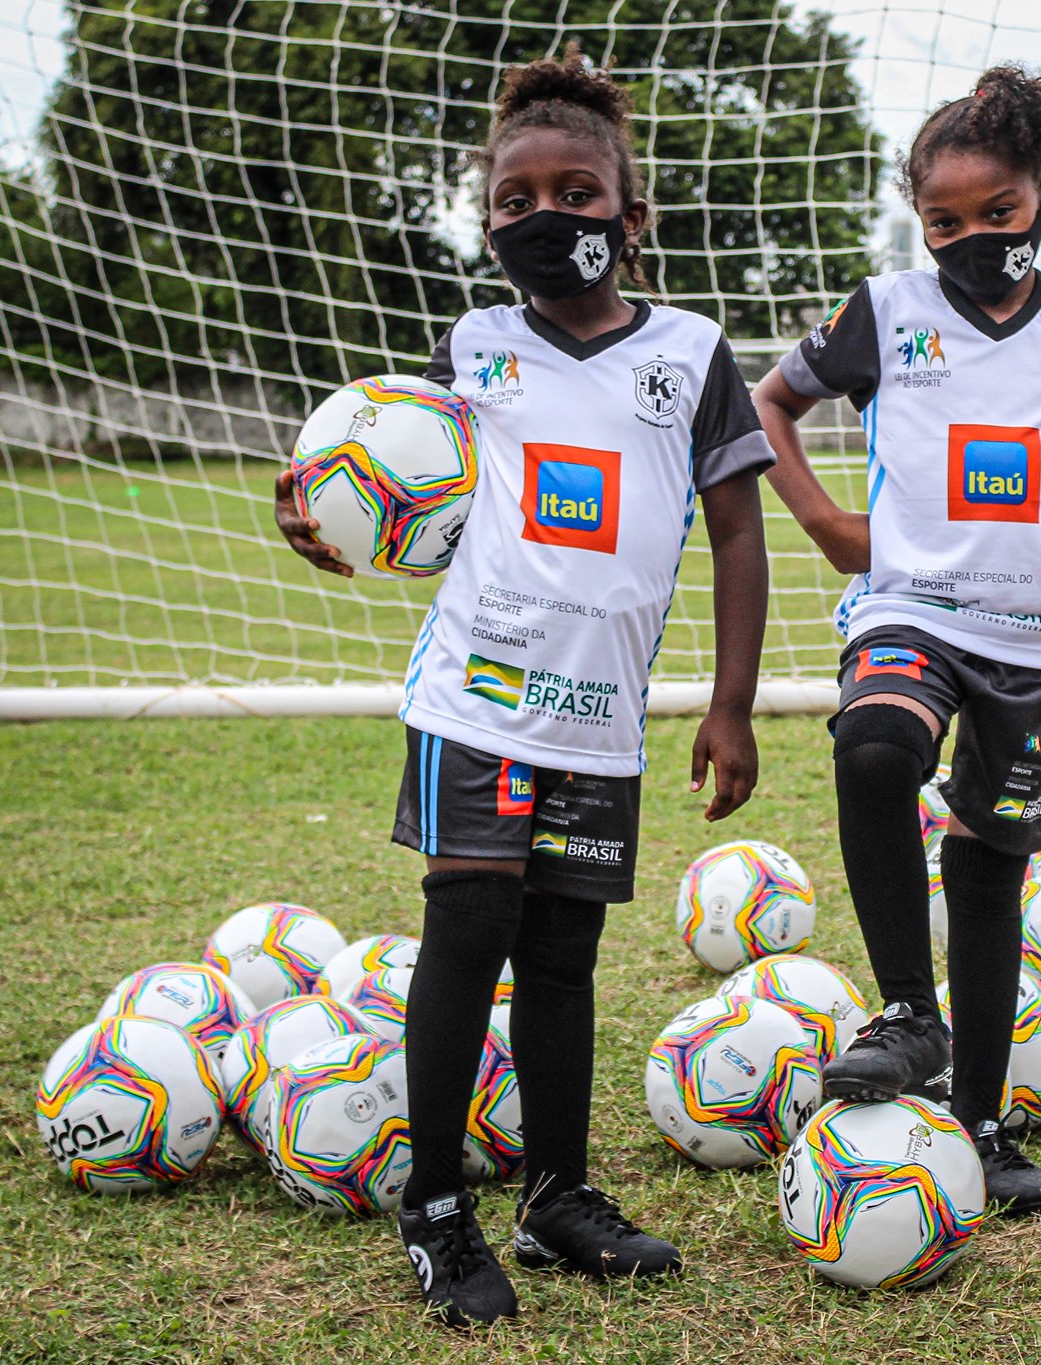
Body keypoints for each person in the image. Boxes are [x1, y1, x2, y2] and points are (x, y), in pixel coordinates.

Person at [275, 51, 773, 1325]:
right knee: (468, 930)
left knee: (561, 958)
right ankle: (435, 1205)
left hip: (600, 722)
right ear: (490, 224)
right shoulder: (474, 348)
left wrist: (729, 703)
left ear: (629, 211)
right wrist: (323, 516)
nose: (547, 218)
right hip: (475, 701)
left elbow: (732, 535)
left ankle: (555, 1198)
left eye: (577, 192)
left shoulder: (694, 356)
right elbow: (408, 488)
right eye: (514, 203)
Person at [752, 65, 1041, 1217]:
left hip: (1032, 639)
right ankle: (908, 1009)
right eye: (942, 220)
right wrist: (820, 519)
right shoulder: (885, 311)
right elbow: (771, 400)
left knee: (989, 874)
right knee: (872, 750)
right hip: (909, 608)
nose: (968, 237)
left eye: (994, 214)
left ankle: (982, 1125)